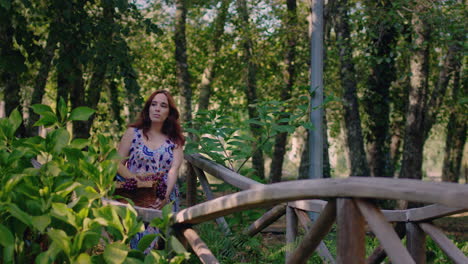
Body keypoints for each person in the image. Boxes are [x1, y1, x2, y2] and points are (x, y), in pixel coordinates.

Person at [116, 89, 185, 251]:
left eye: (163, 106)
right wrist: (136, 180)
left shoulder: (175, 140)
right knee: (139, 242)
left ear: (169, 113)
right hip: (135, 194)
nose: (157, 109)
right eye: (153, 104)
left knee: (161, 244)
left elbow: (174, 169)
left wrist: (165, 196)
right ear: (148, 108)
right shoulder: (133, 133)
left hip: (163, 195)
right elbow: (116, 163)